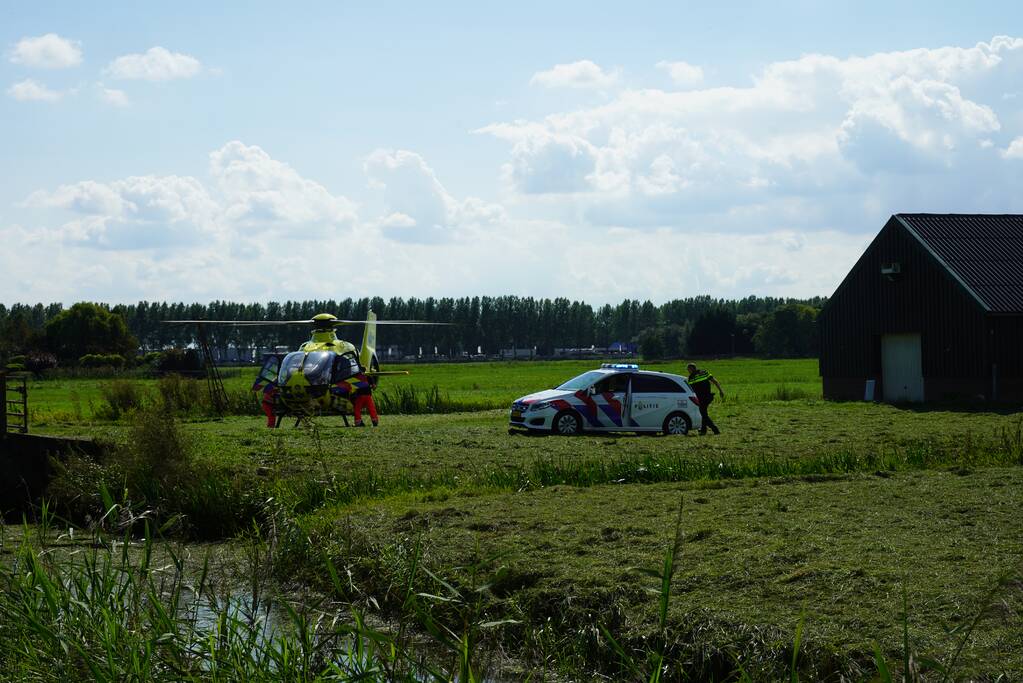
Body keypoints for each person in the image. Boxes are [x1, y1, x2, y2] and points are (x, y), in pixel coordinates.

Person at [686, 363, 724, 435]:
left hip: (701, 398)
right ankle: (703, 430)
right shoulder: (704, 372)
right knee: (703, 412)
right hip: (708, 397)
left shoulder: (691, 377)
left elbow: (691, 389)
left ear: (692, 369)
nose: (688, 371)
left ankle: (715, 429)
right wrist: (720, 391)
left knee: (703, 414)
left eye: (688, 369)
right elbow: (715, 381)